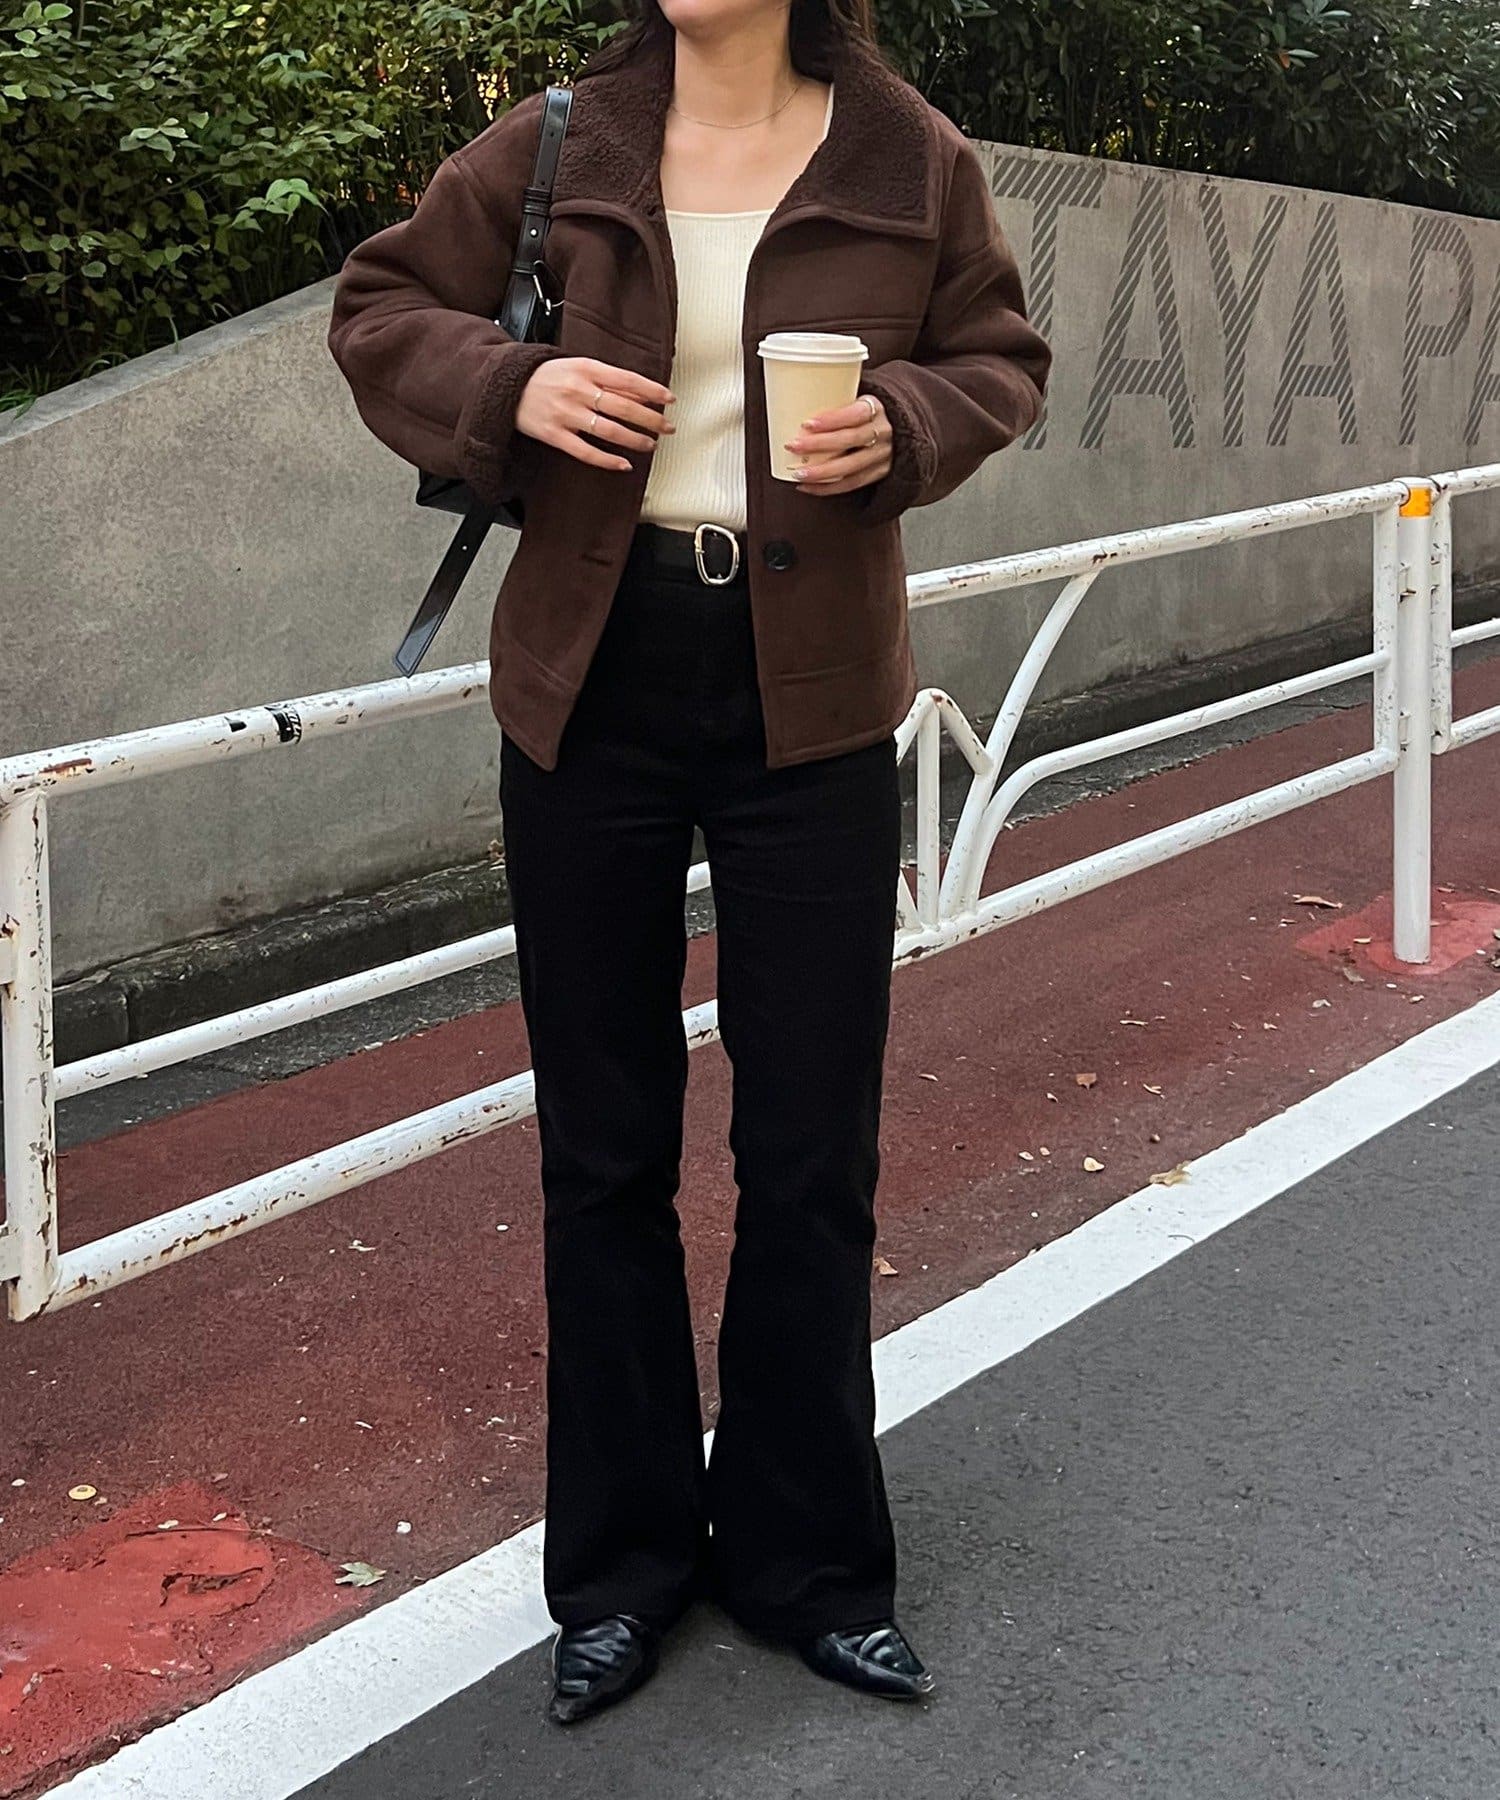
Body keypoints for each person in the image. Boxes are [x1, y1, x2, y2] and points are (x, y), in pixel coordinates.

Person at [328, 0, 1049, 1728]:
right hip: (593, 677)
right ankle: (623, 1570)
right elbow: (380, 306)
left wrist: (907, 422)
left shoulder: (908, 154)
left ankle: (810, 1565)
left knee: (810, 1146)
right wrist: (511, 383)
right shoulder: (563, 138)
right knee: (603, 1148)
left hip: (815, 692)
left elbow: (1003, 357)